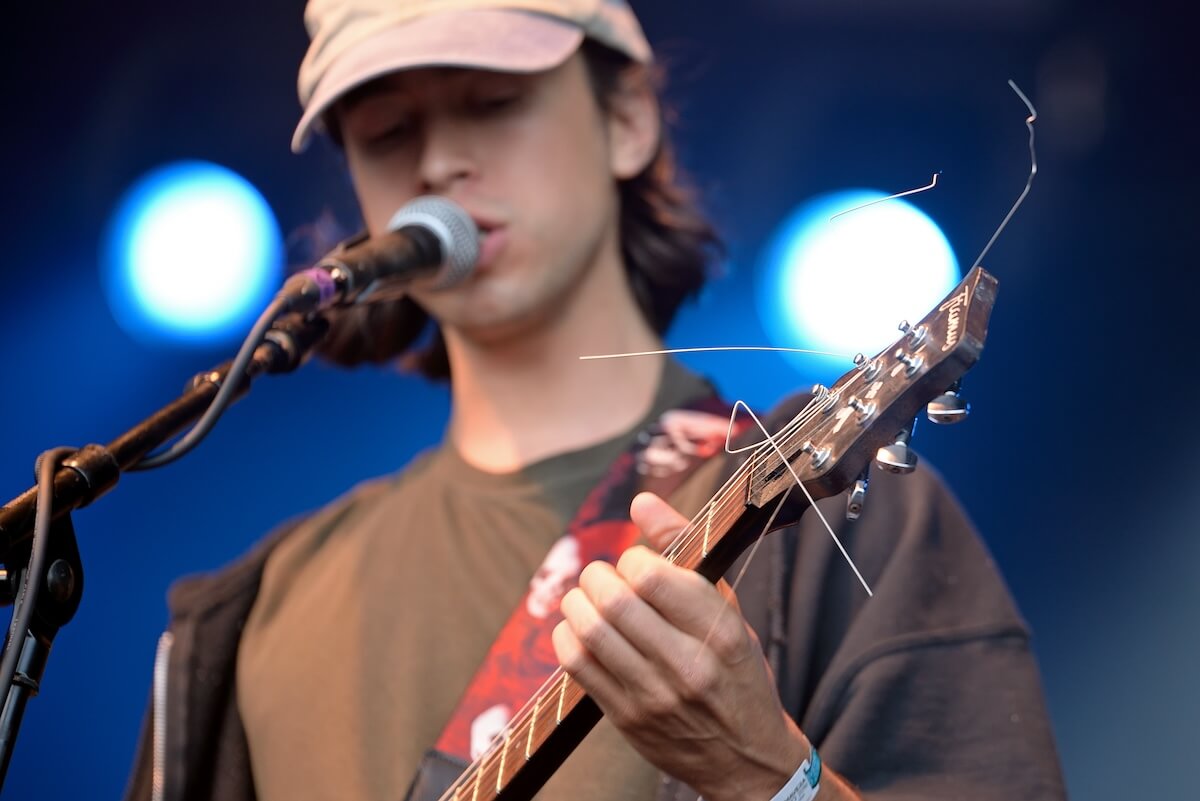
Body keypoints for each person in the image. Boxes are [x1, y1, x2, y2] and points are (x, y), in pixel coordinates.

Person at [123, 2, 1067, 800]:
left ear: (627, 118)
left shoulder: (830, 512)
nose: (439, 161)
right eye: (387, 131)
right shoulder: (257, 612)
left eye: (492, 101)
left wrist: (766, 773)